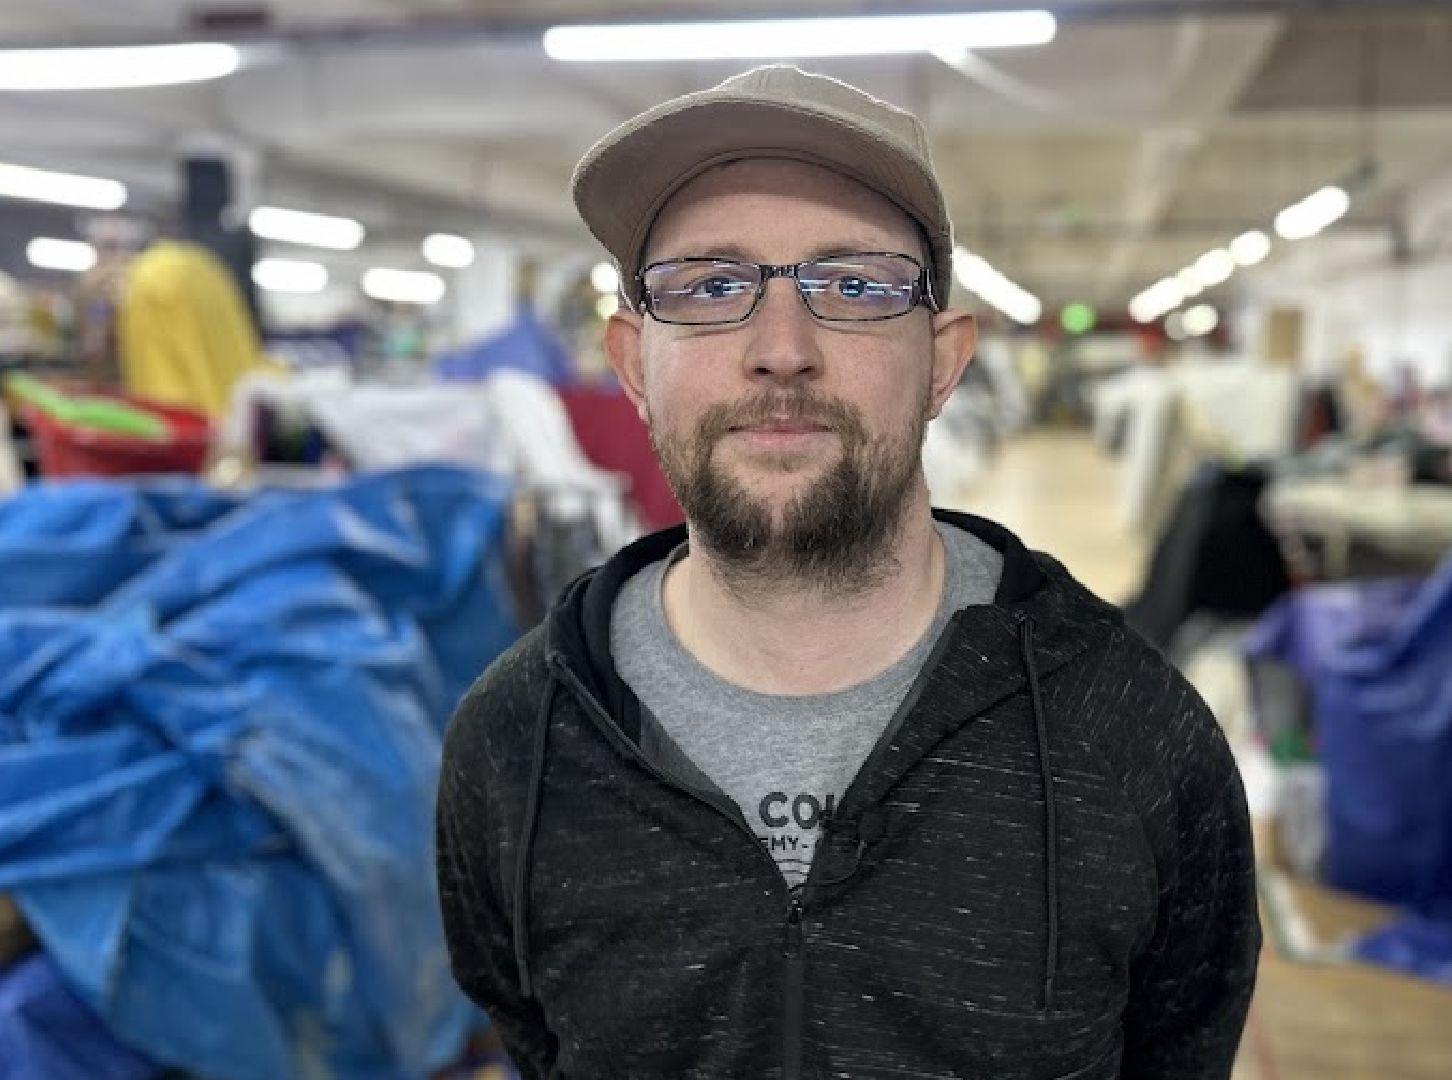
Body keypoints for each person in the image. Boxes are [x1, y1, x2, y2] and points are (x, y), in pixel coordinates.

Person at [436, 65, 1260, 1079]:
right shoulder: (516, 744)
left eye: (856, 286)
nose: (781, 349)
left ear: (944, 361)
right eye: (709, 286)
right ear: (630, 363)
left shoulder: (1132, 735)